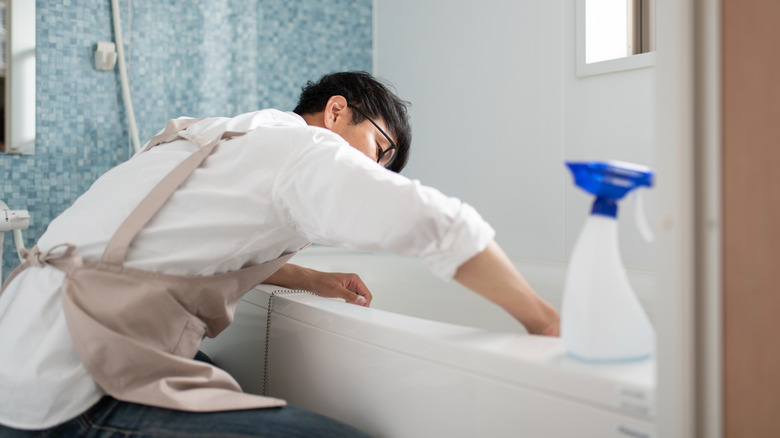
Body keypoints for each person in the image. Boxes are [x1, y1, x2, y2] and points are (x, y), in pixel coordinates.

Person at [0, 71, 559, 437]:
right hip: (71, 386)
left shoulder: (222, 134)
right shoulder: (304, 148)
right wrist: (544, 320)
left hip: (24, 349)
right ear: (337, 111)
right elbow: (436, 223)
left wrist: (310, 277)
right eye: (379, 150)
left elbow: (184, 250)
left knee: (225, 385)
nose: (376, 172)